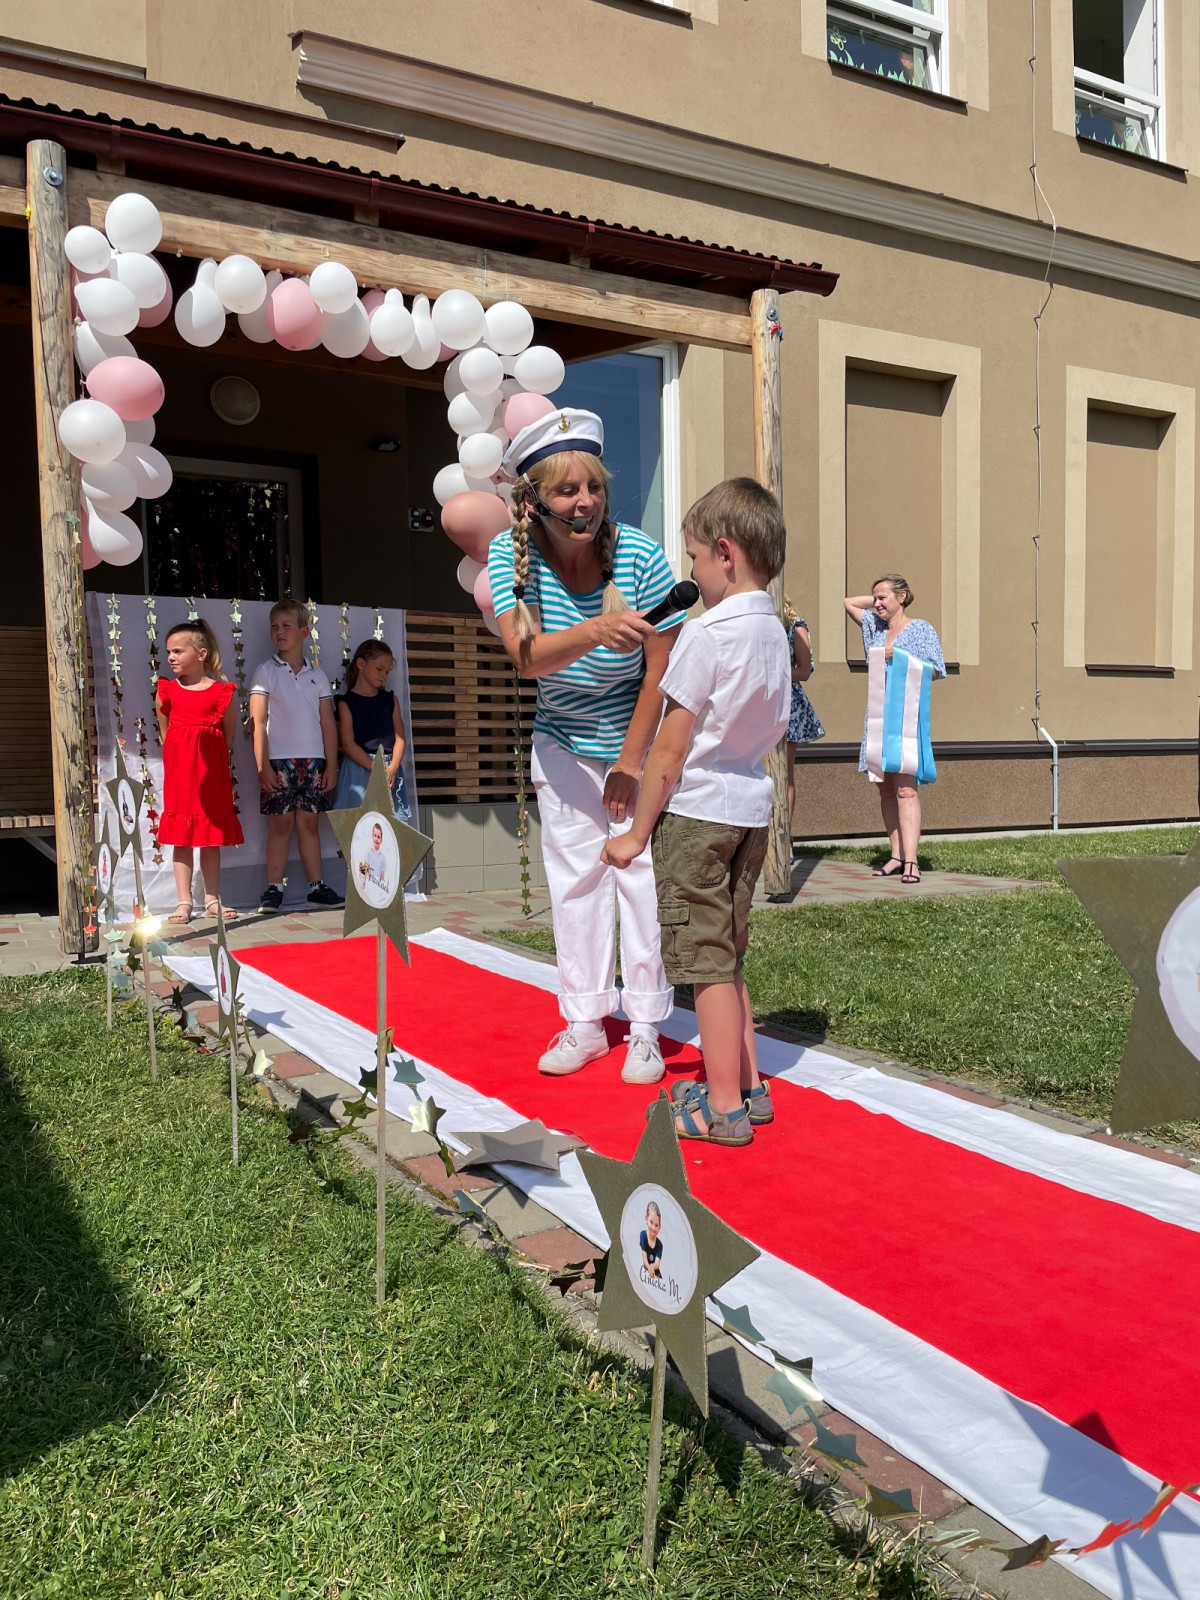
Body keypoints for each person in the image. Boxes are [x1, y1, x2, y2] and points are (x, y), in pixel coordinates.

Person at [489, 407, 685, 1084]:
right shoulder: (509, 555)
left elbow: (660, 672)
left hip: (634, 739)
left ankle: (646, 1027)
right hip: (562, 740)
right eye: (568, 490)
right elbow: (526, 658)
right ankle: (585, 1022)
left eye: (595, 487)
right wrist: (596, 632)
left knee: (640, 878)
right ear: (534, 501)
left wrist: (631, 763)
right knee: (576, 880)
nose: (586, 502)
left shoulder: (640, 555)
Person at [602, 478, 791, 1147]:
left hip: (699, 813)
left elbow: (669, 749)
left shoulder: (707, 634)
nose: (693, 573)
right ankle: (750, 1087)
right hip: (750, 809)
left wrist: (635, 834)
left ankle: (722, 1108)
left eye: (694, 558)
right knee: (727, 954)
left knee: (705, 964)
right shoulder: (775, 632)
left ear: (725, 553)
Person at [843, 574, 946, 885]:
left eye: (883, 597)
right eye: (874, 598)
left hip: (905, 719)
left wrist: (899, 657)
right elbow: (848, 603)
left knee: (905, 789)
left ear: (902, 597)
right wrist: (877, 597)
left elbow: (936, 669)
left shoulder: (921, 629)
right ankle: (896, 855)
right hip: (877, 718)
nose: (876, 604)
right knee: (885, 789)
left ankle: (912, 860)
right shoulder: (875, 628)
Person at [249, 599, 344, 913]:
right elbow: (258, 722)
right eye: (274, 627)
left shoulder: (318, 675)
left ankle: (316, 888)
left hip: (314, 762)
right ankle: (273, 889)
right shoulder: (265, 671)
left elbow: (328, 724)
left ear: (304, 632)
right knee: (280, 826)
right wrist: (263, 766)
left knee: (309, 824)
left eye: (286, 626)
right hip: (279, 761)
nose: (279, 632)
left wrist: (331, 765)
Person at [155, 618, 243, 924]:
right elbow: (166, 733)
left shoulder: (221, 693)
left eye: (178, 651)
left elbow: (227, 737)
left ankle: (211, 899)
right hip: (181, 777)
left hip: (211, 778)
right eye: (169, 652)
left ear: (201, 654)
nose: (171, 657)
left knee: (209, 837)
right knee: (182, 837)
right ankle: (184, 901)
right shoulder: (167, 691)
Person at [333, 639, 411, 820]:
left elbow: (400, 739)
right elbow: (347, 744)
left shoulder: (390, 700)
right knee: (359, 825)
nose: (384, 675)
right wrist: (377, 770)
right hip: (359, 769)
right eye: (379, 669)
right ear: (361, 664)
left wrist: (392, 768)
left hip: (389, 769)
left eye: (387, 672)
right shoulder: (347, 703)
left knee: (389, 826)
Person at [782, 598, 824, 847]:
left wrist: (772, 673)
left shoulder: (795, 626)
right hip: (755, 703)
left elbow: (804, 670)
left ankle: (783, 838)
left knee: (784, 772)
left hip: (787, 704)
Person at [639, 1201, 663, 1278]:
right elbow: (644, 1258)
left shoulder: (659, 1244)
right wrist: (649, 1268)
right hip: (645, 1273)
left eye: (656, 1225)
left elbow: (657, 1264)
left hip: (656, 1276)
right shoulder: (643, 1235)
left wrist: (652, 1267)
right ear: (646, 1218)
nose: (653, 1228)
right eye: (651, 1222)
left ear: (660, 1227)